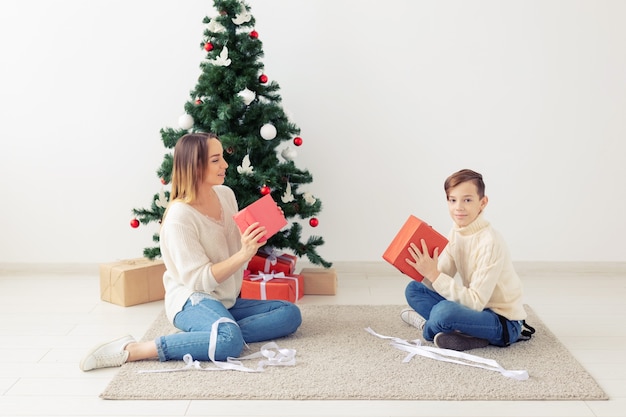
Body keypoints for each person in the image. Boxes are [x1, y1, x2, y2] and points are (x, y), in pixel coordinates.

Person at [80, 132, 302, 371]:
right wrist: (244, 254)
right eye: (215, 160)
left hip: (226, 299)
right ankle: (135, 349)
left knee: (289, 313)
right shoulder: (180, 217)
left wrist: (258, 229)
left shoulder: (226, 195)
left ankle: (214, 333)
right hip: (192, 299)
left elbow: (233, 250)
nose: (225, 165)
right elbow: (199, 281)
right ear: (195, 166)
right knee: (229, 342)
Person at [400, 169, 533, 351]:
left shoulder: (490, 241)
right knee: (414, 289)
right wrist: (418, 270)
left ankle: (427, 327)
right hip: (475, 311)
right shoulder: (457, 231)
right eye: (452, 200)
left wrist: (433, 274)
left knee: (443, 312)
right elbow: (442, 274)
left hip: (502, 321)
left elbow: (475, 301)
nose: (458, 207)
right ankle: (465, 335)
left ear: (482, 203)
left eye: (467, 200)